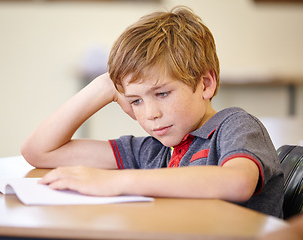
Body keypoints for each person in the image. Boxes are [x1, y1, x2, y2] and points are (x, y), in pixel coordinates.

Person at [21, 6, 284, 218]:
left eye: (162, 94)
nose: (150, 114)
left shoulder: (235, 126)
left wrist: (115, 182)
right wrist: (104, 86)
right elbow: (39, 151)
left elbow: (237, 182)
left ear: (205, 84)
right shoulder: (153, 152)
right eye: (136, 101)